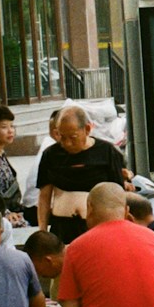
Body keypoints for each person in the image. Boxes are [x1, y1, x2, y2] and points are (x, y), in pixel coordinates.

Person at [35, 104, 130, 245]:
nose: (67, 143)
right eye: (62, 137)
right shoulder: (50, 155)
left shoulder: (107, 151)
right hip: (63, 227)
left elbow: (118, 194)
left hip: (99, 227)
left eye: (73, 137)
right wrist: (42, 230)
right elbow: (44, 196)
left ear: (87, 129)